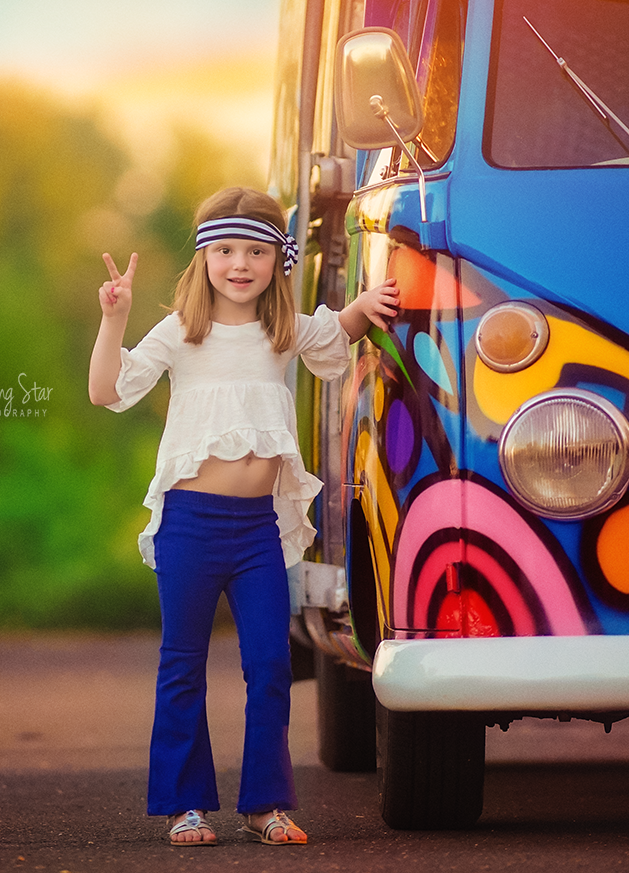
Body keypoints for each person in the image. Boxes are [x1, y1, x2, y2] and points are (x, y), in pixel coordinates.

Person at [88, 186, 398, 847]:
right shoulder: (182, 331)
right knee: (182, 665)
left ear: (277, 260)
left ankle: (266, 805)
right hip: (190, 525)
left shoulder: (282, 331)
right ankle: (186, 805)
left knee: (270, 664)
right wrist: (113, 319)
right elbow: (107, 391)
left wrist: (365, 307)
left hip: (259, 530)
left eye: (255, 251)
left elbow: (338, 329)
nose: (239, 263)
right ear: (204, 258)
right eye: (225, 249)